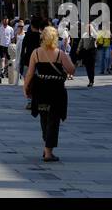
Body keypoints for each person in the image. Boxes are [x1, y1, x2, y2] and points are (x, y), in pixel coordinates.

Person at [25, 25, 76, 163]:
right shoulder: (60, 54)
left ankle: (47, 146)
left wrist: (25, 88)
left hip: (41, 89)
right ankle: (48, 152)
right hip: (56, 90)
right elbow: (72, 70)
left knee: (44, 118)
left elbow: (29, 73)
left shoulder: (36, 53)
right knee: (53, 120)